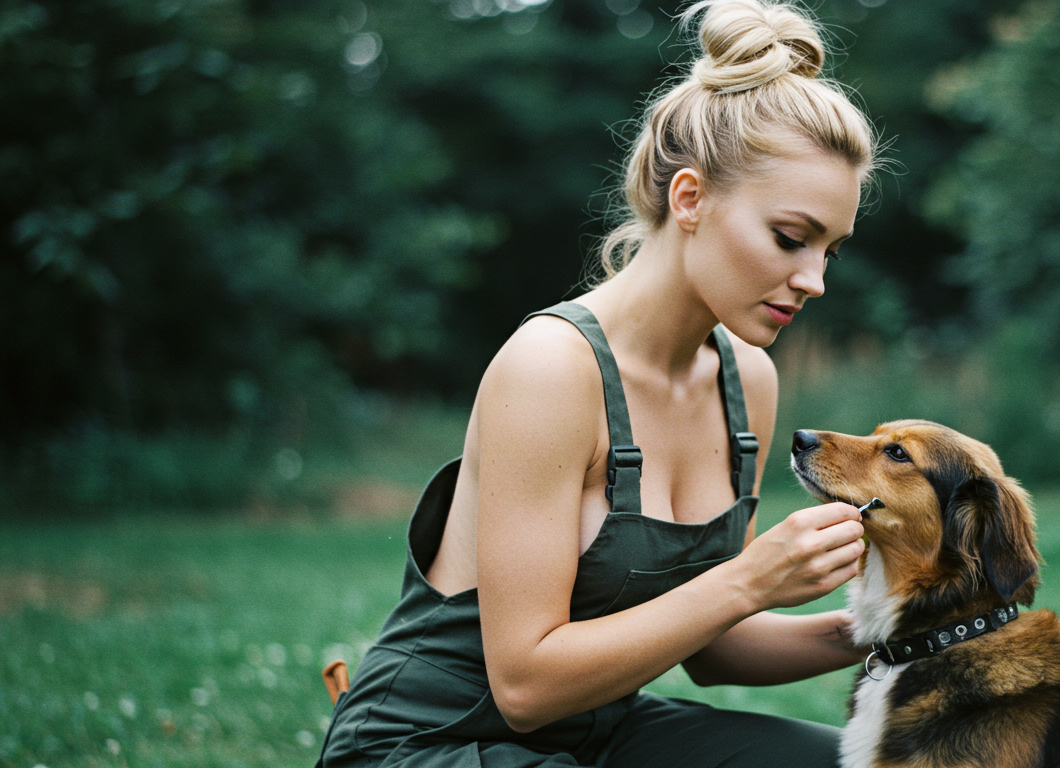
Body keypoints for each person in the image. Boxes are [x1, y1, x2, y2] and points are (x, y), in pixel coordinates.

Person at [317, 0, 879, 765]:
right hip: (431, 744)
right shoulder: (550, 369)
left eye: (831, 251)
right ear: (690, 199)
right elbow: (524, 684)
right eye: (790, 238)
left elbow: (716, 647)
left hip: (598, 736)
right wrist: (749, 580)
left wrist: (897, 620)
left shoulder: (748, 380)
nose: (812, 279)